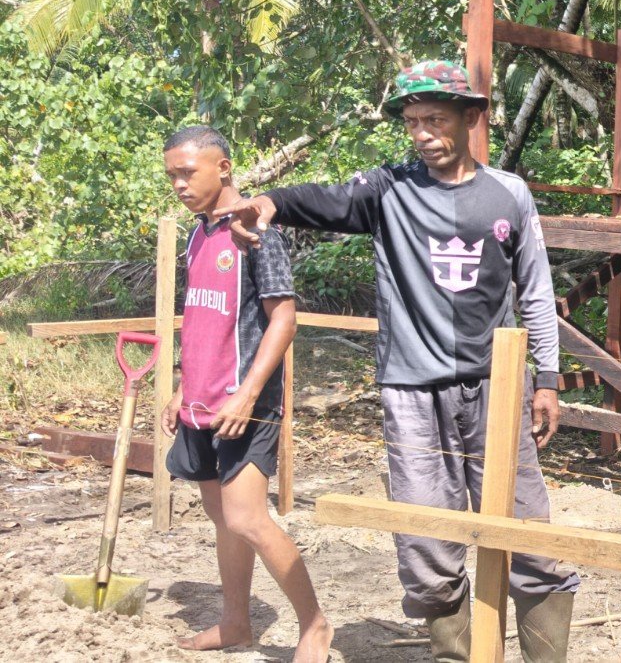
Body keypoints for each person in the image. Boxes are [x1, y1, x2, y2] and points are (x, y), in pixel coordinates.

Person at [214, 60, 579, 662]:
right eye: (413, 123)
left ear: (471, 117)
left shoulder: (509, 194)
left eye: (436, 120)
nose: (423, 134)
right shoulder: (388, 191)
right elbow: (323, 199)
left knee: (527, 531)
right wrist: (269, 203)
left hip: (496, 386)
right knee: (425, 538)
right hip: (411, 390)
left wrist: (547, 379)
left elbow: (536, 291)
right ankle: (453, 654)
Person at [160, 125, 332, 662]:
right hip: (200, 401)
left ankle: (315, 625)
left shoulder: (257, 233)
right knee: (223, 518)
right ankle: (236, 622)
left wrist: (247, 395)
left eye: (188, 173)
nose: (180, 185)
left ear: (224, 168)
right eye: (172, 176)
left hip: (246, 403)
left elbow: (284, 320)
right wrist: (182, 387)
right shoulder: (196, 235)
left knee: (246, 518)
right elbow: (201, 317)